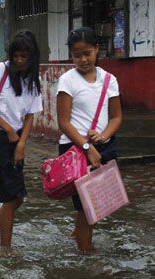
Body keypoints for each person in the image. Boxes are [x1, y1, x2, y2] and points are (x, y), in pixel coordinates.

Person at [56, 27, 122, 254]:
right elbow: (63, 122)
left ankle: (77, 237)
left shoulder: (109, 80)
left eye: (87, 53)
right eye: (77, 55)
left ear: (97, 50)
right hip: (75, 150)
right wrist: (87, 147)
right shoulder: (67, 80)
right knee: (87, 206)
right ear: (71, 55)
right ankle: (86, 255)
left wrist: (102, 136)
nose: (83, 59)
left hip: (104, 146)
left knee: (97, 204)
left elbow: (116, 116)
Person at [0, 30, 43, 252]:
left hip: (16, 140)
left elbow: (31, 115)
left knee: (15, 197)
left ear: (32, 56)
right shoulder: (1, 70)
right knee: (12, 197)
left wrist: (22, 144)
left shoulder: (34, 79)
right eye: (16, 55)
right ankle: (6, 249)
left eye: (24, 56)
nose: (19, 60)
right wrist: (8, 130)